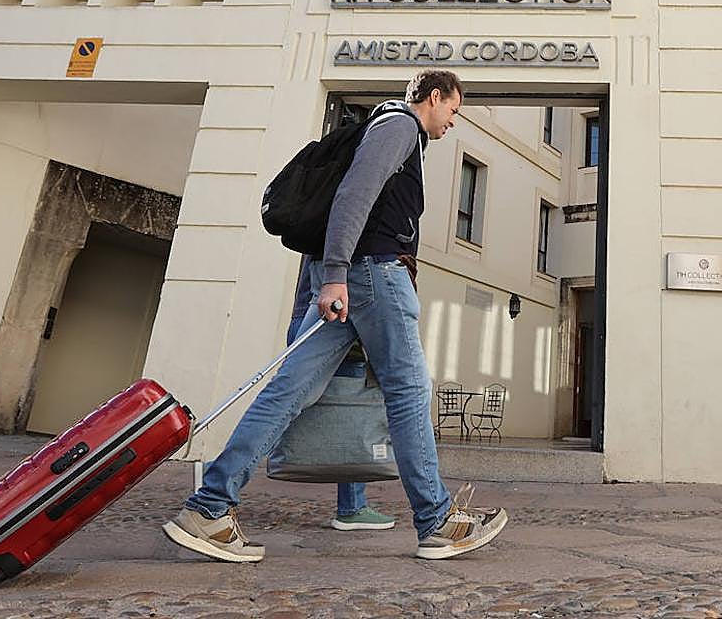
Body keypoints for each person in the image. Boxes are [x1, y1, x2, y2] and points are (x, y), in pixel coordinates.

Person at [163, 69, 507, 562]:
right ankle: (436, 521)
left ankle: (209, 507)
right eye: (454, 110)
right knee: (408, 393)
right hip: (374, 277)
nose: (454, 122)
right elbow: (352, 196)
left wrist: (326, 280)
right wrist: (337, 274)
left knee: (291, 389)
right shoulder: (398, 127)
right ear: (435, 97)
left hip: (353, 279)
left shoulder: (388, 129)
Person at [279, 255, 396, 531]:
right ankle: (352, 507)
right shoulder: (337, 231)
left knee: (289, 403)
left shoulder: (317, 227)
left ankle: (352, 505)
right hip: (333, 318)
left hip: (308, 316)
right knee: (346, 414)